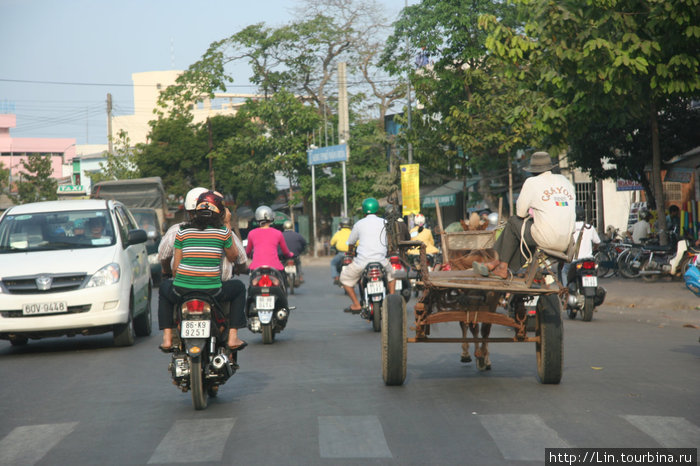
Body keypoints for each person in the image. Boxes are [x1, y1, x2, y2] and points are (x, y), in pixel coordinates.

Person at [158, 191, 247, 352]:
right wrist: (227, 223)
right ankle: (233, 336)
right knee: (239, 288)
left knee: (164, 289)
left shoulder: (182, 231)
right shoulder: (223, 232)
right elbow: (234, 257)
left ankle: (167, 338)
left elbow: (175, 267)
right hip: (212, 291)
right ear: (220, 213)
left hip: (181, 290)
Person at [485, 151, 576, 278]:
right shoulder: (565, 181)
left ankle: (502, 266)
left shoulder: (532, 182)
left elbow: (520, 213)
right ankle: (502, 263)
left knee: (513, 222)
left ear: (533, 170)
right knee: (527, 229)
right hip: (567, 242)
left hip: (547, 239)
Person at [339, 197, 396, 313]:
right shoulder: (384, 222)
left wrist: (350, 251)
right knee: (392, 276)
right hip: (381, 261)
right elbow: (391, 241)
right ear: (377, 209)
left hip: (362, 262)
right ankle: (391, 300)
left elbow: (351, 243)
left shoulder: (359, 224)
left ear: (364, 210)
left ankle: (356, 304)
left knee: (344, 279)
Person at [246, 205, 294, 287]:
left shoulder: (251, 233)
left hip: (256, 268)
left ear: (257, 218)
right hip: (275, 267)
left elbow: (247, 252)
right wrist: (290, 255)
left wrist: (249, 256)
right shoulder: (278, 233)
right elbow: (285, 252)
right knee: (283, 285)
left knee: (251, 286)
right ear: (271, 218)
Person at [561, 205, 601, 286]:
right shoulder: (590, 227)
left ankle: (566, 291)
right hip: (588, 260)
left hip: (574, 261)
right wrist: (593, 249)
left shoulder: (569, 228)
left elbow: (563, 244)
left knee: (564, 272)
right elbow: (597, 242)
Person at [330, 217, 353, 284]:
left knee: (333, 263)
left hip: (341, 253)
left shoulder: (338, 233)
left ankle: (336, 277)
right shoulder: (352, 232)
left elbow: (332, 243)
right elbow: (358, 243)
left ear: (341, 225)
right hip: (351, 254)